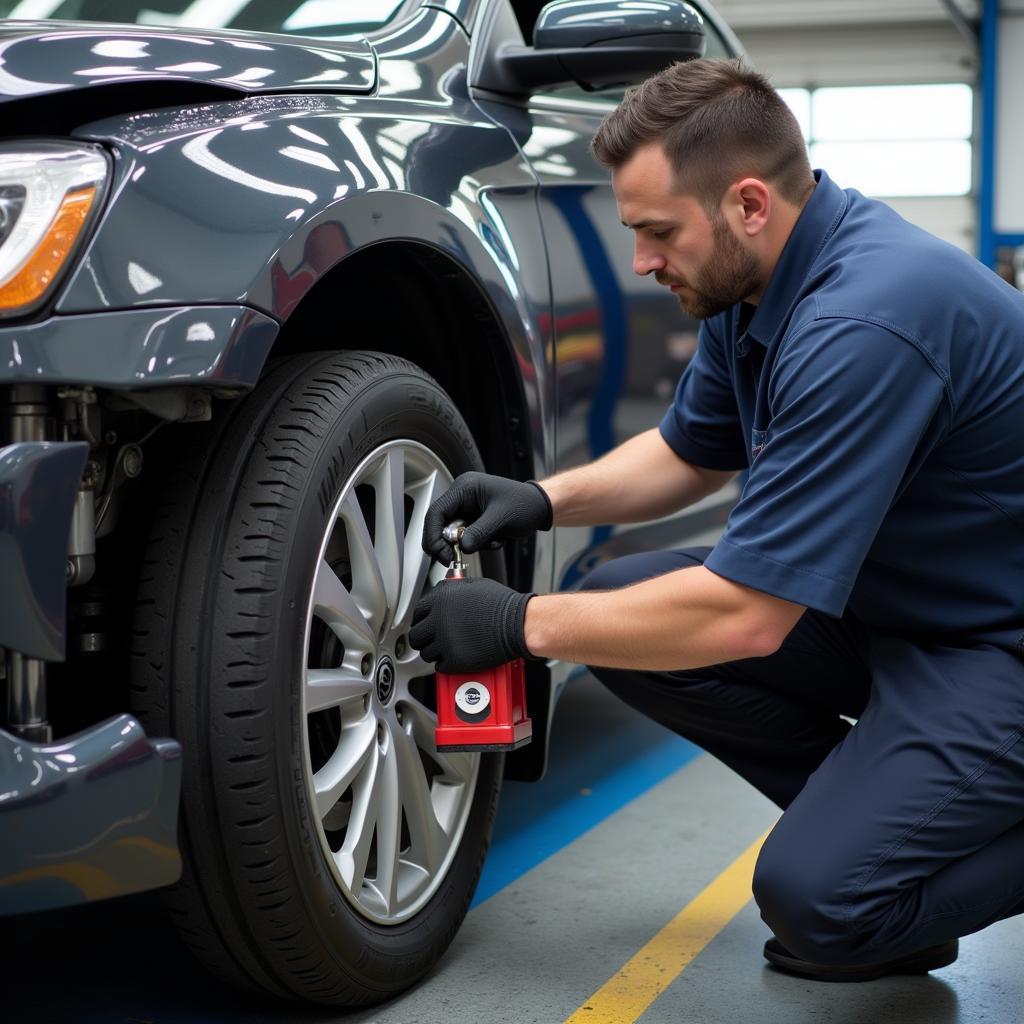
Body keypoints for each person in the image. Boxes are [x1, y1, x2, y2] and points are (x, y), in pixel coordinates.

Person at [409, 58, 1024, 983]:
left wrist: (516, 624)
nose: (643, 262)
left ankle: (870, 887)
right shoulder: (755, 284)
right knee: (622, 600)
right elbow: (690, 451)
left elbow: (747, 616)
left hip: (998, 646)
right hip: (904, 611)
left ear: (747, 204)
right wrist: (541, 497)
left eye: (657, 233)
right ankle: (897, 863)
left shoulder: (865, 321)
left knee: (818, 901)